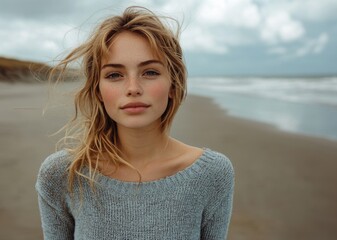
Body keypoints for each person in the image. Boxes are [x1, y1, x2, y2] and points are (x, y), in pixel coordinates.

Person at [36, 6, 234, 240]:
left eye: (150, 72)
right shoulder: (62, 175)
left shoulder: (213, 174)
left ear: (173, 84)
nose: (133, 88)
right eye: (114, 75)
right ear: (98, 90)